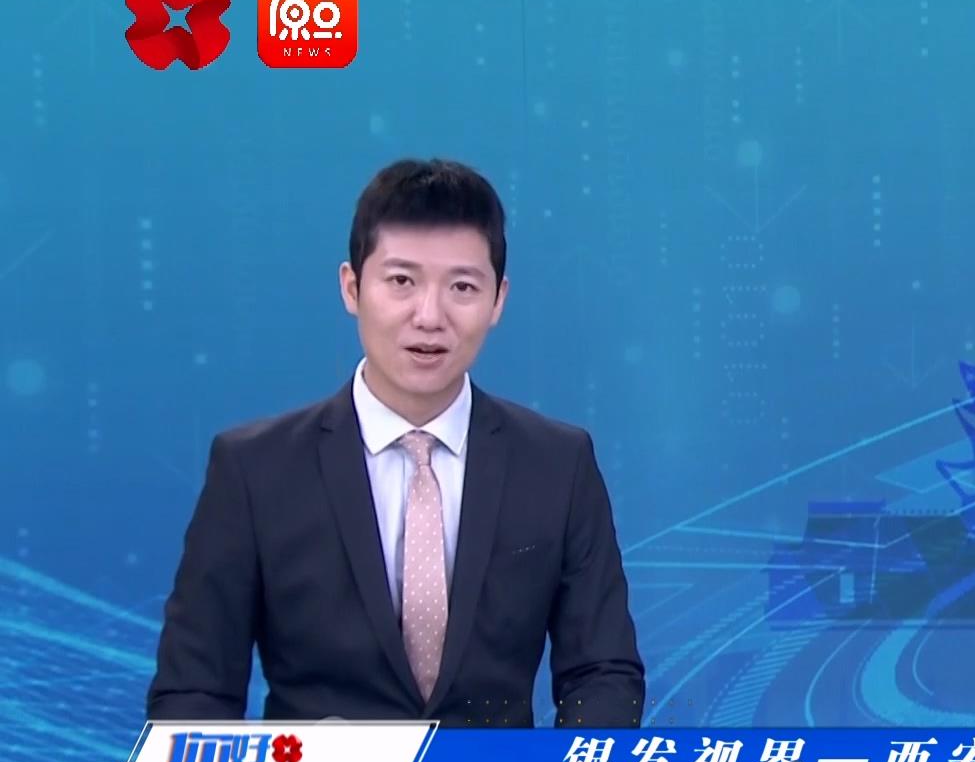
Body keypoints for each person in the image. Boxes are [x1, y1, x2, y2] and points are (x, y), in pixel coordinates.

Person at [148, 158, 646, 727]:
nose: (429, 317)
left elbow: (602, 673)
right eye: (402, 281)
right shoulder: (254, 471)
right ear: (352, 287)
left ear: (498, 301)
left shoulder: (558, 465)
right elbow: (194, 692)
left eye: (462, 287)